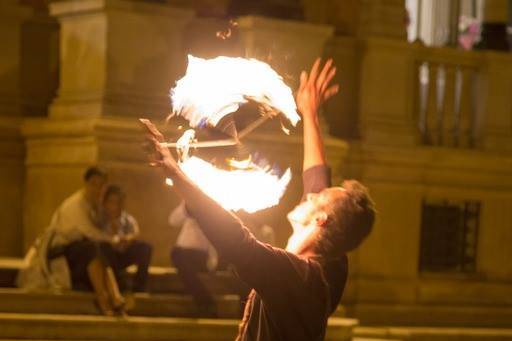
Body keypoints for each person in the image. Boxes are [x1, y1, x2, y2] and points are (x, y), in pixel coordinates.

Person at [141, 58, 375, 340]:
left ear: (320, 220)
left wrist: (175, 172)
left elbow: (237, 242)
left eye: (319, 197)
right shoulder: (331, 269)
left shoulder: (296, 276)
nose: (312, 193)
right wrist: (310, 115)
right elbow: (317, 178)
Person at [18, 166, 125, 316]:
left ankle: (114, 295)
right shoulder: (75, 204)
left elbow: (103, 229)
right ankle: (103, 298)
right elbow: (88, 231)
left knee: (100, 250)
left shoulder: (94, 205)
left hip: (81, 251)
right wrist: (113, 239)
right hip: (62, 250)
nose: (97, 189)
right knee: (93, 249)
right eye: (94, 184)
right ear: (86, 184)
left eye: (101, 185)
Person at [97, 184, 152, 293]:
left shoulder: (126, 219)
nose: (114, 206)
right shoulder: (99, 219)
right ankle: (117, 284)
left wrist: (127, 239)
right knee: (104, 248)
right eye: (111, 202)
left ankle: (139, 286)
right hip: (107, 256)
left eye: (118, 202)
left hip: (123, 253)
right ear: (104, 203)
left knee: (145, 248)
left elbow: (135, 232)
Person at [169, 201, 219, 316]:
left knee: (176, 255)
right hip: (182, 253)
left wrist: (212, 262)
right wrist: (186, 208)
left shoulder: (213, 206)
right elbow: (172, 220)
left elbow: (216, 237)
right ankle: (205, 301)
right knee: (176, 254)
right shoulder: (189, 203)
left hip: (201, 256)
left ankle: (205, 301)